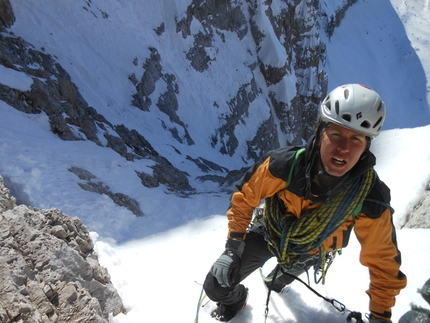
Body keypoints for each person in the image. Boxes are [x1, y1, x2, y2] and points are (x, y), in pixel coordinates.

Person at [203, 84, 407, 322]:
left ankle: (276, 279)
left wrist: (380, 316)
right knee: (216, 286)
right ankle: (237, 299)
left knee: (274, 282)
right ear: (320, 131)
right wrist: (234, 247)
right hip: (269, 235)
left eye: (356, 139)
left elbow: (383, 262)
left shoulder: (369, 197)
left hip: (312, 249)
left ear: (365, 148)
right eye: (337, 134)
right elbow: (244, 198)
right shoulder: (283, 166)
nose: (344, 148)